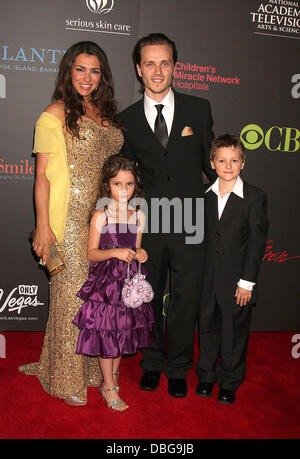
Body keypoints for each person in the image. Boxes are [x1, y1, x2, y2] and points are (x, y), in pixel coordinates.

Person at [19, 41, 124, 406]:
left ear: (102, 76)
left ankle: (92, 370)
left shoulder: (105, 113)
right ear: (68, 71)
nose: (87, 77)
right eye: (80, 69)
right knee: (70, 298)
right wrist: (43, 226)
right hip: (68, 217)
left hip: (104, 219)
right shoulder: (55, 112)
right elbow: (42, 176)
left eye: (94, 71)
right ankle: (65, 378)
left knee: (97, 297)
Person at [119, 33, 216, 398]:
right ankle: (151, 363)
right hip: (148, 224)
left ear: (174, 66)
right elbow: (126, 176)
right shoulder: (125, 119)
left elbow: (212, 164)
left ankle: (178, 367)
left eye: (164, 62)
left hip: (190, 221)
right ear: (138, 70)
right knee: (146, 295)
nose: (157, 71)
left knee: (185, 298)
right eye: (150, 63)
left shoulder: (198, 109)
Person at [73, 155, 155, 411]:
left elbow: (138, 248)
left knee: (123, 332)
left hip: (129, 282)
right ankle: (108, 387)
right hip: (107, 284)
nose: (123, 190)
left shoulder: (139, 215)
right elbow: (91, 253)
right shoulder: (101, 214)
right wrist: (115, 252)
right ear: (107, 184)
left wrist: (142, 254)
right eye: (117, 184)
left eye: (129, 184)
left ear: (136, 185)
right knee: (108, 333)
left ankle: (113, 379)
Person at [195, 134, 268, 405]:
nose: (228, 165)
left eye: (234, 160)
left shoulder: (254, 197)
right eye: (222, 160)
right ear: (212, 163)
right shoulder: (202, 194)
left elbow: (257, 244)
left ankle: (229, 381)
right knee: (206, 327)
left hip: (237, 281)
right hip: (206, 279)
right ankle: (206, 377)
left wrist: (247, 282)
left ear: (243, 163)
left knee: (234, 333)